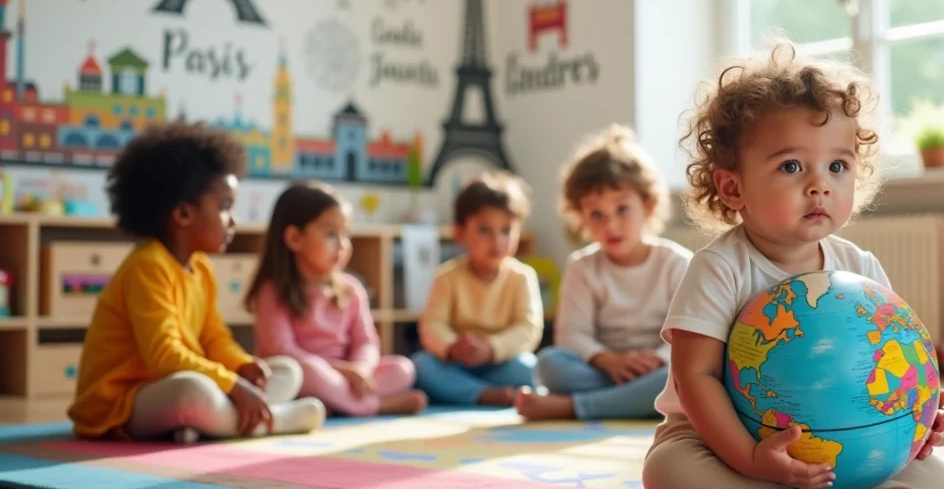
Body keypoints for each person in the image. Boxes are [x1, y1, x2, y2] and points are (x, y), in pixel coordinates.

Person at [641, 42, 944, 489]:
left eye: (838, 166)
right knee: (670, 472)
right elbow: (695, 377)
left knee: (935, 481)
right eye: (791, 166)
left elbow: (897, 358)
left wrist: (915, 419)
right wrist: (749, 458)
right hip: (721, 441)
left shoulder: (860, 268)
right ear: (733, 187)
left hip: (848, 448)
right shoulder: (719, 267)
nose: (819, 184)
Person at [68, 122, 325, 442]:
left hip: (168, 388)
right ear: (183, 214)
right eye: (225, 207)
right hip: (121, 401)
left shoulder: (200, 269)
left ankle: (209, 422)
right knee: (192, 392)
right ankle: (270, 420)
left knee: (286, 370)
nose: (234, 220)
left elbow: (214, 337)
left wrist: (242, 365)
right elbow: (164, 357)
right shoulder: (148, 266)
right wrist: (230, 384)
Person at [517, 125, 692, 420]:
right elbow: (572, 334)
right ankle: (629, 401)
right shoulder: (581, 267)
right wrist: (609, 360)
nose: (610, 225)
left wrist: (655, 363)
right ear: (581, 216)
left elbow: (688, 336)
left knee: (687, 375)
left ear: (647, 206)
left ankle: (574, 407)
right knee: (549, 364)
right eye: (596, 214)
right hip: (604, 370)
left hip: (660, 369)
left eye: (622, 209)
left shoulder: (676, 262)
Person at [246, 181, 427, 417]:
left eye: (346, 234)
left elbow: (366, 342)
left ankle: (337, 404)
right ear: (294, 238)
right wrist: (343, 371)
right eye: (331, 234)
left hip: (346, 377)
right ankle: (375, 406)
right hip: (304, 376)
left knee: (403, 368)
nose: (343, 245)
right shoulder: (272, 292)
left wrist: (360, 368)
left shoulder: (352, 289)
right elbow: (284, 351)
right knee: (307, 370)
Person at [412, 171, 544, 406]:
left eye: (506, 230)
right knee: (422, 366)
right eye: (484, 230)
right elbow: (432, 325)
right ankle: (482, 394)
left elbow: (528, 329)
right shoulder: (446, 277)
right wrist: (453, 347)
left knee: (532, 368)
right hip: (457, 364)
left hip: (501, 363)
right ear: (460, 233)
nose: (497, 241)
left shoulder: (522, 277)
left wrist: (492, 348)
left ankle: (470, 392)